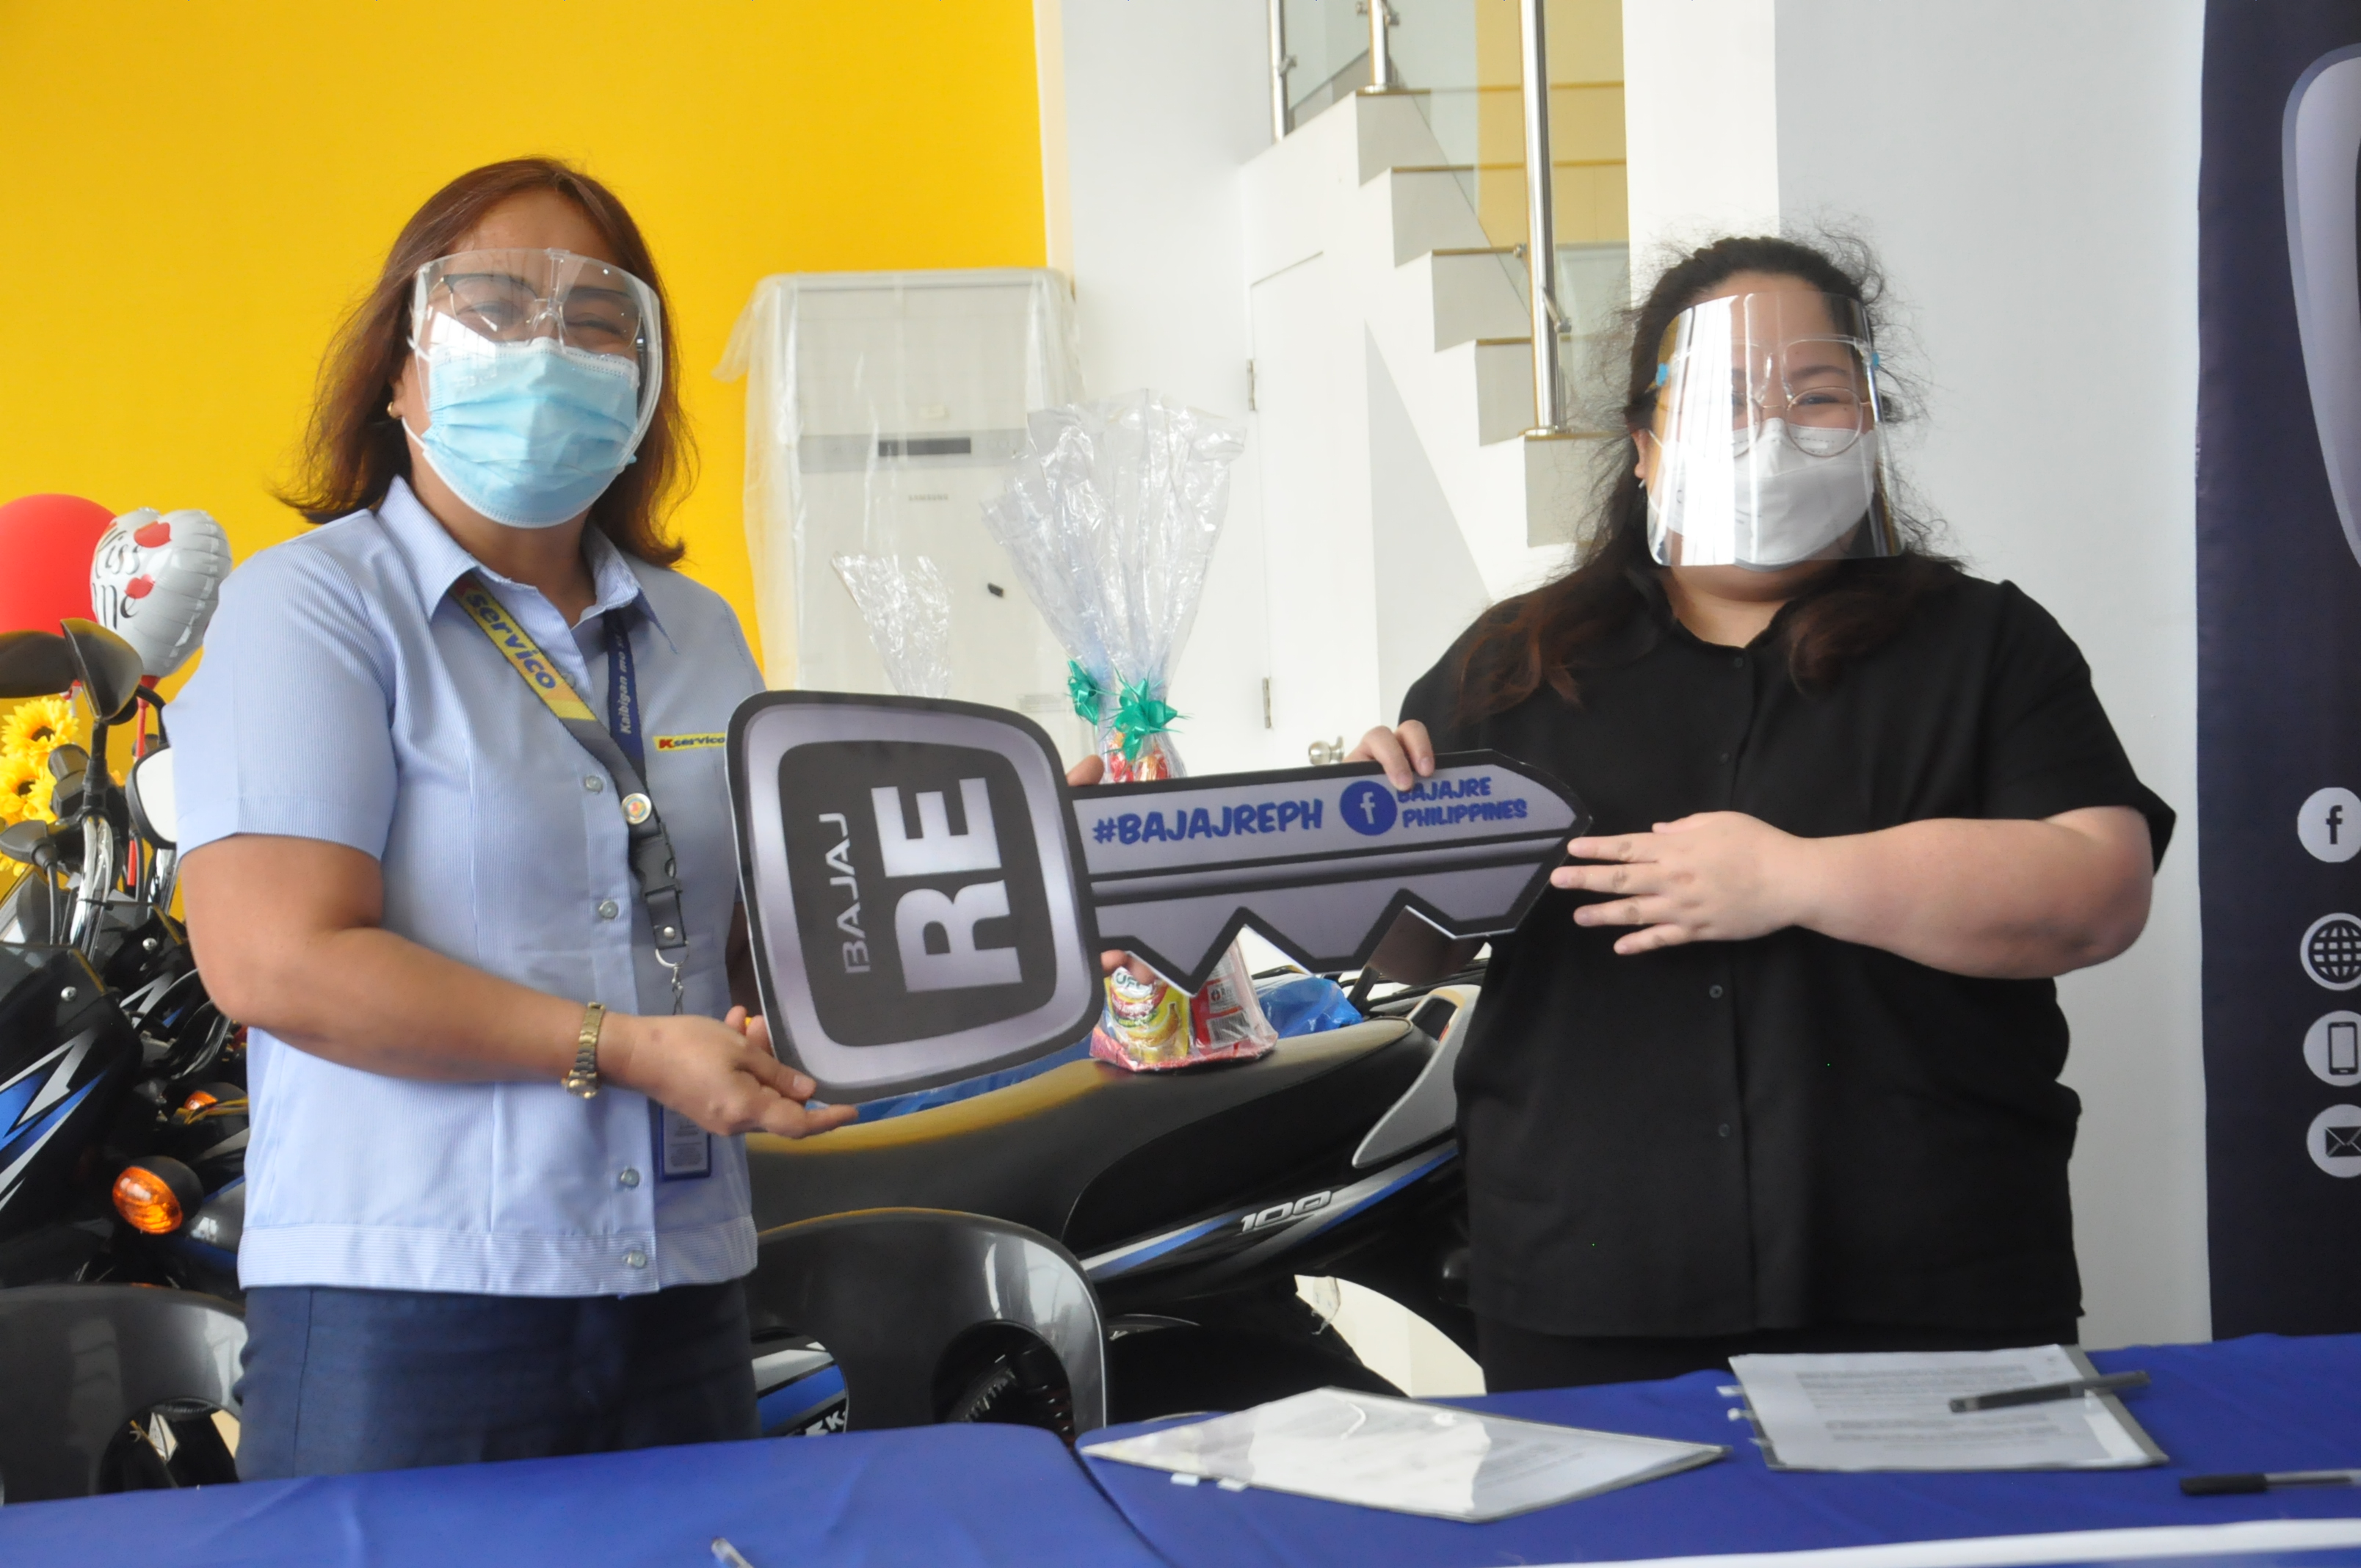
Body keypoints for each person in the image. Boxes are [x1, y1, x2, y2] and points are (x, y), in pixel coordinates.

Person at [1349, 235, 2174, 1392]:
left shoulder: (1986, 645)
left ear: (1870, 427)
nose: (1773, 426)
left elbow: (2097, 893)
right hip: (1591, 1286)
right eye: (1726, 398)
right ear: (1644, 449)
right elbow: (1417, 946)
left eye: (1817, 392)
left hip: (1936, 1281)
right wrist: (1362, 849)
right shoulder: (1511, 668)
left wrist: (1792, 880)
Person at [173, 159, 860, 1476]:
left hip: (680, 1288)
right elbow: (275, 960)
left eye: (598, 324)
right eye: (490, 310)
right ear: (396, 371)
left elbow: (736, 940)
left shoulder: (699, 633)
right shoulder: (314, 609)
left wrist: (994, 863)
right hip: (409, 1304)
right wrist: (626, 1049)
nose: (546, 352)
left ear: (647, 378)